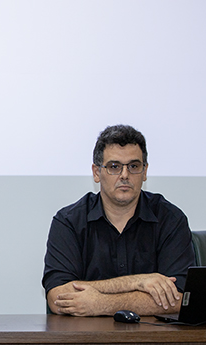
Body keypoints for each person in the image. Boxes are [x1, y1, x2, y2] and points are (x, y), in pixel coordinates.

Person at [42, 125, 195, 316]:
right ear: (97, 173)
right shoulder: (69, 221)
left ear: (145, 171)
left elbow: (181, 299)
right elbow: (58, 298)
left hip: (153, 342)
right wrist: (138, 282)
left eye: (133, 166)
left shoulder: (170, 219)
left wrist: (103, 303)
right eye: (114, 167)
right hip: (86, 341)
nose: (124, 175)